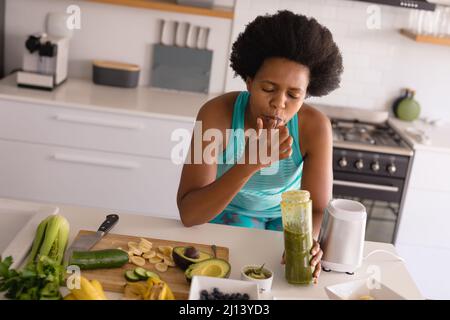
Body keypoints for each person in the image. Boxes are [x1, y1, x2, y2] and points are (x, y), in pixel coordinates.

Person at [176, 10, 343, 282]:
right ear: (249, 82)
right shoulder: (215, 116)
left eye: (293, 95)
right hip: (230, 211)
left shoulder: (316, 127)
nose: (279, 103)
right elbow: (189, 213)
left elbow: (317, 209)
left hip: (287, 219)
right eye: (268, 89)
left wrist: (307, 242)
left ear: (306, 95)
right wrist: (249, 164)